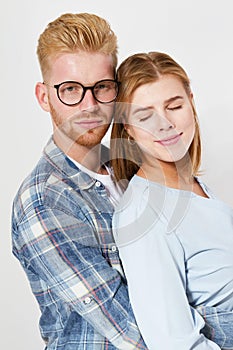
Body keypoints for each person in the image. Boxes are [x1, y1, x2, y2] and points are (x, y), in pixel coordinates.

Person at [11, 13, 148, 349]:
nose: (90, 106)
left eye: (101, 87)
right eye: (71, 89)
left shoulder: (131, 169)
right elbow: (131, 332)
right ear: (44, 97)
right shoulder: (44, 201)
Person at [111, 51, 233, 350]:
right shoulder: (144, 213)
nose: (164, 124)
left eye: (175, 106)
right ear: (127, 126)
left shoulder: (193, 185)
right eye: (145, 115)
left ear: (191, 101)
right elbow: (174, 343)